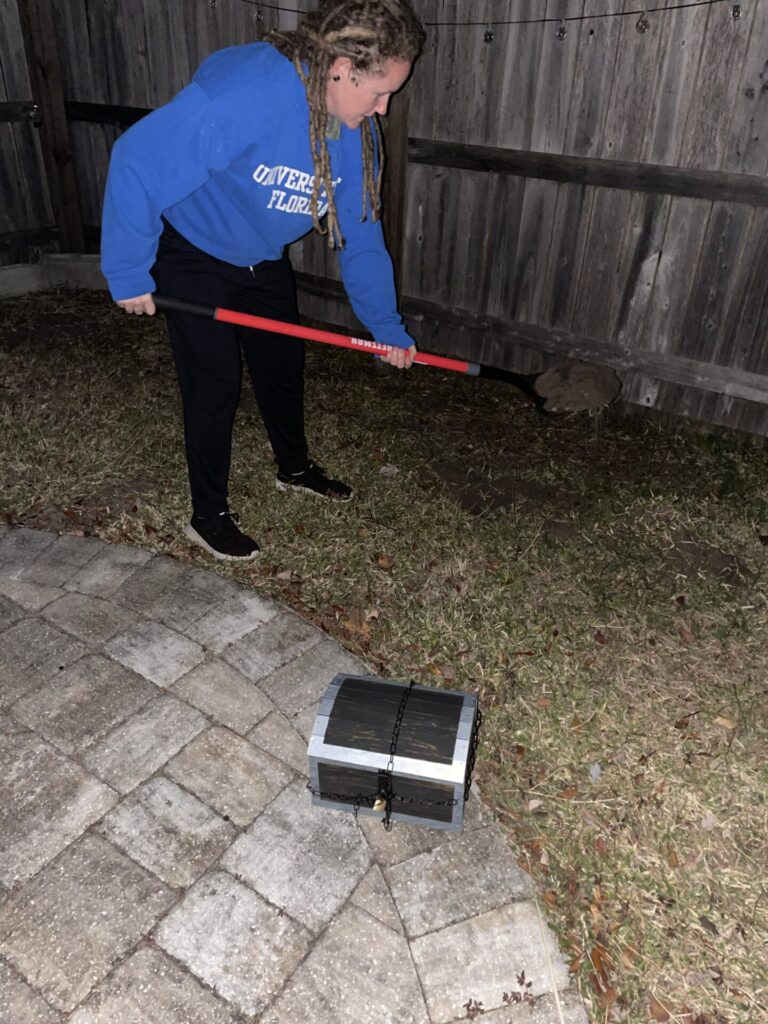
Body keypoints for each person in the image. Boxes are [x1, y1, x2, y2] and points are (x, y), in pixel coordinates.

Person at [100, 0, 425, 561]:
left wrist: (386, 330)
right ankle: (208, 516)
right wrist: (128, 269)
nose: (383, 109)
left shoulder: (355, 136)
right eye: (379, 93)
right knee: (215, 382)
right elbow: (137, 159)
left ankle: (294, 468)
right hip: (193, 250)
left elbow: (363, 237)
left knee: (281, 362)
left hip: (260, 257)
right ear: (340, 68)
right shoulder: (246, 94)